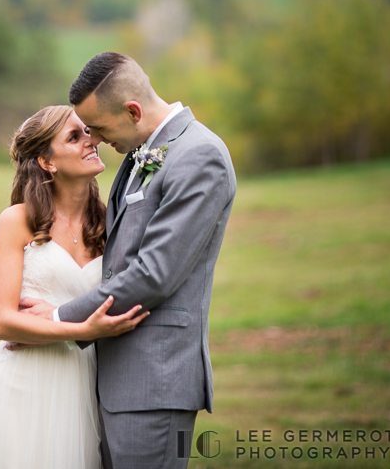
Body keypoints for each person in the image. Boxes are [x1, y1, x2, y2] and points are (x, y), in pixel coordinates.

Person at [20, 53, 237, 469]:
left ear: (133, 111)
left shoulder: (199, 155)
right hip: (116, 378)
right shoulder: (143, 153)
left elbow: (154, 274)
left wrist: (59, 318)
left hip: (155, 381)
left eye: (98, 128)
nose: (96, 140)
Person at [0, 105, 148, 469]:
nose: (91, 141)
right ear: (47, 162)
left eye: (87, 132)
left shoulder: (110, 223)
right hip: (25, 381)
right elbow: (0, 323)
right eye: (74, 137)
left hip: (84, 382)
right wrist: (82, 329)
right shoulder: (17, 221)